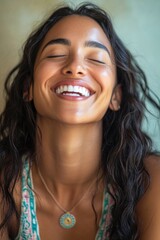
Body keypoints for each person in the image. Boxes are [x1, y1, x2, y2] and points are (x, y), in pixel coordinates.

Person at [0, 3, 160, 240]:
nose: (75, 67)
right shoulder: (5, 181)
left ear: (116, 96)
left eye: (96, 59)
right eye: (56, 55)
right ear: (28, 88)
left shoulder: (150, 181)